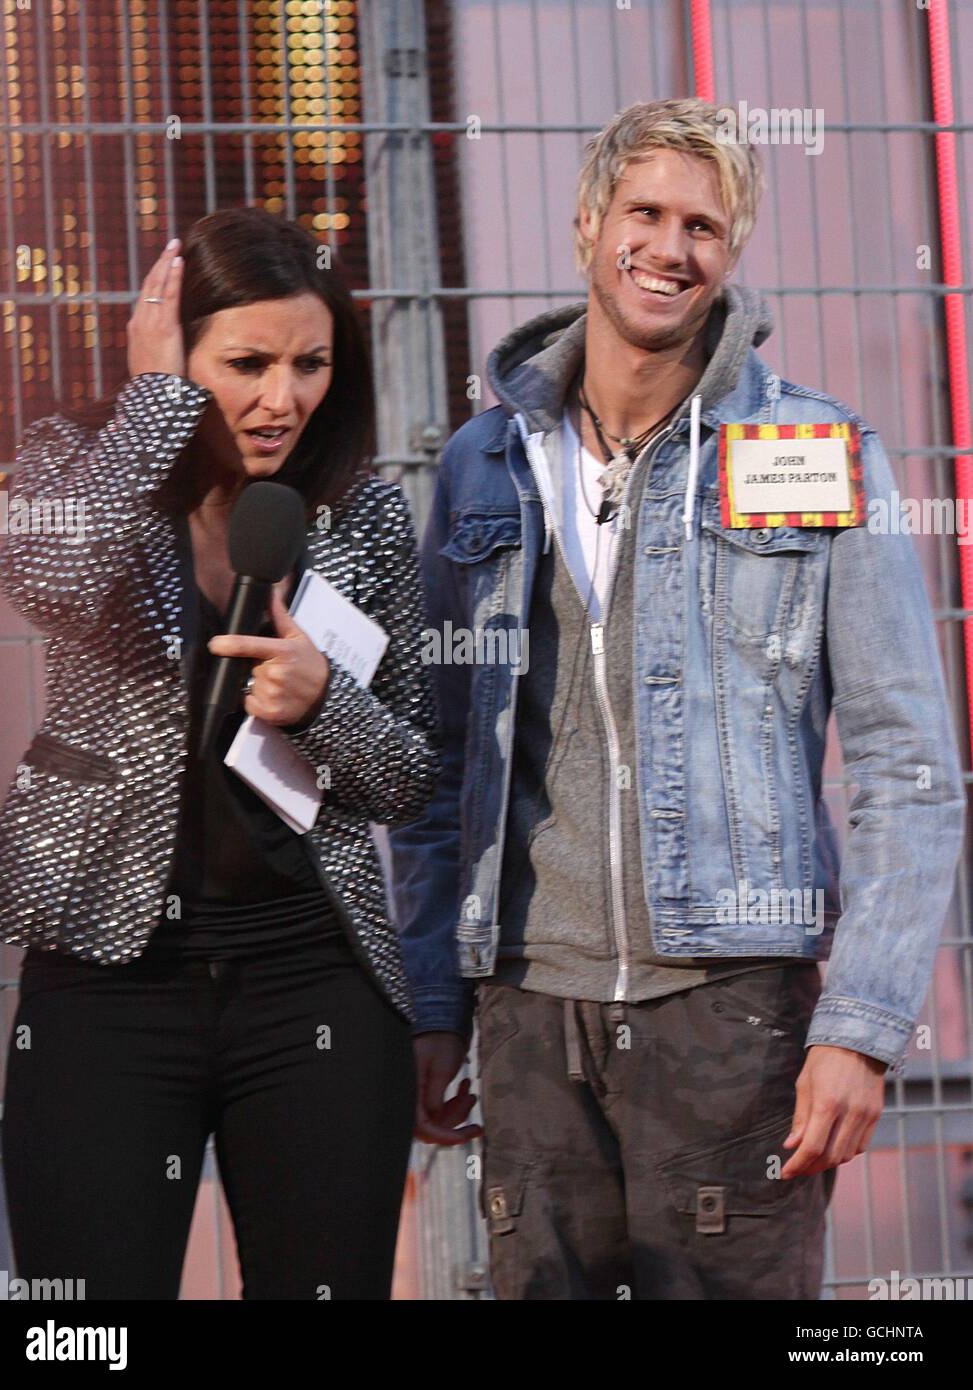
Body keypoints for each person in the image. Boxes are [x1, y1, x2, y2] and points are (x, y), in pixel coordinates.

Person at [388, 98, 966, 1299]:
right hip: (530, 1010)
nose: (670, 244)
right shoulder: (482, 462)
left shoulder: (813, 451)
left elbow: (907, 766)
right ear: (588, 223)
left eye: (703, 224)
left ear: (732, 254)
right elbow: (445, 770)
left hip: (733, 1012)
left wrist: (858, 1025)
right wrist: (437, 995)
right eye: (644, 211)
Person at [0, 207, 439, 1300]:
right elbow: (44, 580)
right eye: (244, 362)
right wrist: (151, 415)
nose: (281, 398)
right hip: (106, 983)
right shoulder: (78, 462)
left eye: (308, 363)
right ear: (173, 351)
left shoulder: (363, 514)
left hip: (311, 979)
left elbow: (410, 775)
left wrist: (326, 703)